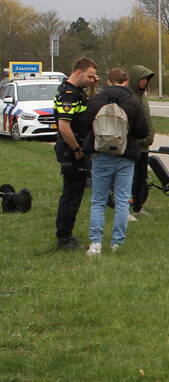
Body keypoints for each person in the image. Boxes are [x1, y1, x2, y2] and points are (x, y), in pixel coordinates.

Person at [81, 68, 150, 255]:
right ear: (126, 81)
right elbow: (143, 131)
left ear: (109, 82)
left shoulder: (96, 100)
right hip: (125, 156)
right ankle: (117, 243)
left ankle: (95, 244)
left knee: (98, 201)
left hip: (101, 155)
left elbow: (84, 125)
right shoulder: (134, 102)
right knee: (122, 201)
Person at [53, 57, 99, 250]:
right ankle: (63, 238)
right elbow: (64, 127)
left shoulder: (78, 91)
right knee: (71, 195)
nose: (92, 79)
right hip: (72, 150)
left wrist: (92, 87)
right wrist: (78, 151)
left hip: (77, 148)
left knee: (76, 193)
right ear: (78, 72)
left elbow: (87, 111)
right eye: (90, 76)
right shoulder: (68, 94)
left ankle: (67, 233)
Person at [128, 64, 156, 219]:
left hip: (145, 146)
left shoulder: (143, 96)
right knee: (130, 178)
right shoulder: (129, 97)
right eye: (142, 79)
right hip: (134, 145)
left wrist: (150, 135)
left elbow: (147, 118)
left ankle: (139, 206)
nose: (144, 82)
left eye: (146, 79)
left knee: (141, 178)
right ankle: (127, 208)